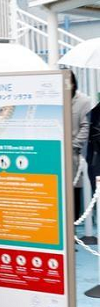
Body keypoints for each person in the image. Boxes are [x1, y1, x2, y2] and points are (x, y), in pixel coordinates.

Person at [71, 72, 91, 217]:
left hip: (73, 153)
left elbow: (86, 126)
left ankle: (73, 227)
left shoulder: (83, 101)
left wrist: (75, 144)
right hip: (54, 152)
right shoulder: (54, 99)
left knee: (73, 189)